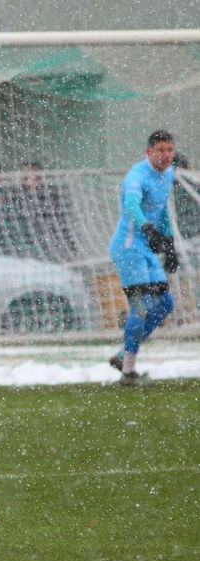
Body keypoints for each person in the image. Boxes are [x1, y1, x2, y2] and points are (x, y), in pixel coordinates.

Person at [108, 130, 179, 386]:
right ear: (148, 152)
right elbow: (131, 206)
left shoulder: (168, 174)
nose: (166, 155)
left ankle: (123, 351)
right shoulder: (136, 176)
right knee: (142, 306)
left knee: (165, 303)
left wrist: (169, 243)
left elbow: (160, 211)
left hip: (145, 248)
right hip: (127, 247)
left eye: (169, 150)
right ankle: (128, 373)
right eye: (160, 150)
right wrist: (147, 228)